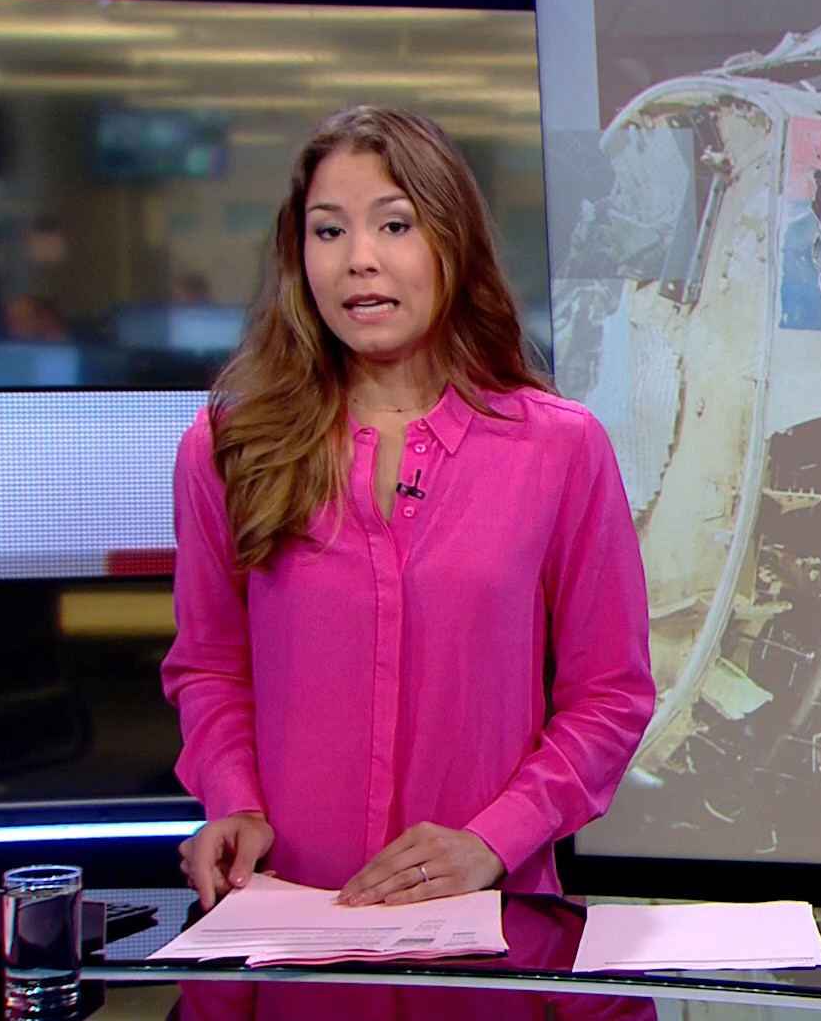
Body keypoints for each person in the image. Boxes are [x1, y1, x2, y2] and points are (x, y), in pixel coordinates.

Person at [161, 105, 655, 911]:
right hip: (288, 918)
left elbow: (610, 696)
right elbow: (210, 667)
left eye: (394, 225)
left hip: (488, 924)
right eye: (329, 231)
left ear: (451, 242)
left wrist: (493, 841)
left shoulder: (559, 450)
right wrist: (234, 801)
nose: (360, 259)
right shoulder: (227, 448)